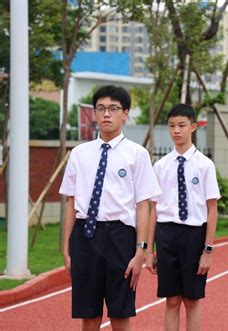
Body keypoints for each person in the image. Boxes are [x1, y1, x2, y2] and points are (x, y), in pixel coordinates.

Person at [59, 85, 161, 330]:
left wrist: (140, 251)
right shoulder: (79, 154)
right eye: (101, 108)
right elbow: (72, 204)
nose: (106, 114)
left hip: (120, 237)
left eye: (113, 109)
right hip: (85, 236)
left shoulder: (137, 155)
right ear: (94, 113)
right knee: (89, 314)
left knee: (120, 314)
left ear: (125, 114)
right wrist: (66, 248)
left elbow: (143, 206)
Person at [145, 103, 220, 331]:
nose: (176, 131)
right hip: (166, 235)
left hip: (194, 235)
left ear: (193, 127)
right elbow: (154, 209)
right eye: (172, 126)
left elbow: (212, 209)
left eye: (182, 125)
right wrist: (149, 250)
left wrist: (207, 251)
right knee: (172, 299)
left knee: (191, 300)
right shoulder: (160, 166)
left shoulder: (205, 165)